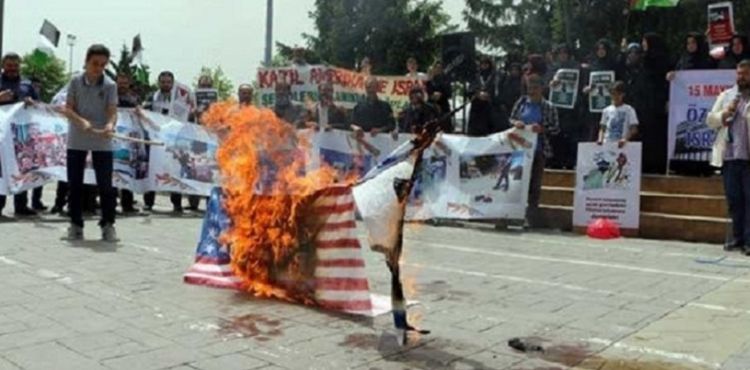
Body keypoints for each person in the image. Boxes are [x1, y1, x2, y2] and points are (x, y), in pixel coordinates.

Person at [57, 44, 118, 242]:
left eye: (102, 64)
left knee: (106, 185)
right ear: (86, 61)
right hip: (78, 137)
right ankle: (75, 225)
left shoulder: (110, 85)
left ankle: (108, 224)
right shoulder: (74, 82)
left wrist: (109, 125)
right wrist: (81, 121)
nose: (98, 68)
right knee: (74, 183)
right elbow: (67, 109)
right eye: (94, 63)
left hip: (102, 138)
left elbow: (112, 110)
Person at [707, 60, 750, 255]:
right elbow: (710, 120)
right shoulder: (726, 95)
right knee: (734, 200)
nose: (741, 77)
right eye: (739, 74)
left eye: (745, 74)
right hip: (730, 157)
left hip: (747, 157)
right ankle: (738, 238)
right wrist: (725, 113)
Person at [509, 74, 560, 228]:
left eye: (535, 88)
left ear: (541, 89)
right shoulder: (521, 102)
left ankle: (530, 218)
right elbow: (511, 118)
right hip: (519, 150)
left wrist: (542, 128)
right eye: (530, 88)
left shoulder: (549, 106)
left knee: (534, 185)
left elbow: (556, 128)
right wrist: (516, 122)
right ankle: (512, 215)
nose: (532, 91)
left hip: (538, 150)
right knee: (516, 183)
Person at [668, 32, 716, 176]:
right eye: (688, 43)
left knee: (702, 131)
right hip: (685, 105)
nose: (690, 46)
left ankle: (703, 167)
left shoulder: (707, 60)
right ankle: (684, 166)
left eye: (693, 43)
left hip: (703, 104)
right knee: (685, 132)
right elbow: (676, 75)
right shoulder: (682, 60)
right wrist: (672, 75)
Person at [0, 53, 42, 217]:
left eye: (15, 65)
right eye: (9, 65)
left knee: (22, 167)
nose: (12, 68)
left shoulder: (27, 84)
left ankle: (21, 206)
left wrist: (32, 102)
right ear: (3, 65)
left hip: (21, 135)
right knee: (1, 169)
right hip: (2, 135)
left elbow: (38, 105)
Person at [142, 71, 189, 213]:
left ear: (172, 83)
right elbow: (145, 114)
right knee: (152, 169)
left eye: (168, 82)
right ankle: (149, 202)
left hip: (173, 141)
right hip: (155, 139)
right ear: (159, 83)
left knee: (174, 170)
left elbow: (186, 118)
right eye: (163, 82)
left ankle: (177, 203)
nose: (166, 85)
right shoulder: (152, 97)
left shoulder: (180, 100)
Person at [640, 33, 672, 174]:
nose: (643, 44)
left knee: (658, 136)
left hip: (658, 104)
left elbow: (665, 83)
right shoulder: (644, 60)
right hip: (645, 104)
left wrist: (667, 99)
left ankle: (658, 165)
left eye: (645, 42)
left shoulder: (663, 60)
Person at [116, 72, 141, 213]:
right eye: (120, 83)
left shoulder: (133, 98)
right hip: (112, 139)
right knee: (112, 172)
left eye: (125, 83)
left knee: (127, 171)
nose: (122, 86)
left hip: (127, 140)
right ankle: (109, 203)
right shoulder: (110, 96)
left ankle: (127, 204)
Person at [597, 81, 638, 147]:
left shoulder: (629, 109)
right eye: (613, 94)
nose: (616, 96)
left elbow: (634, 129)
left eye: (618, 94)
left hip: (623, 145)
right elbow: (602, 128)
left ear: (623, 94)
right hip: (607, 144)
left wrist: (625, 139)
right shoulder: (606, 110)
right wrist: (600, 139)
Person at [467, 57, 501, 136]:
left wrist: (489, 96)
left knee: (488, 132)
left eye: (486, 64)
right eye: (482, 64)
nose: (484, 66)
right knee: (475, 133)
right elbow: (470, 90)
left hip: (489, 109)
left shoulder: (495, 77)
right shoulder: (476, 76)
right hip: (477, 109)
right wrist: (478, 94)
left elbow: (498, 91)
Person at [425, 61, 453, 131]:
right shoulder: (429, 81)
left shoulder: (446, 80)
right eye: (436, 67)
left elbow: (449, 94)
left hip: (444, 108)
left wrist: (441, 95)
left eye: (440, 68)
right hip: (431, 109)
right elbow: (425, 93)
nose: (438, 69)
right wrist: (431, 96)